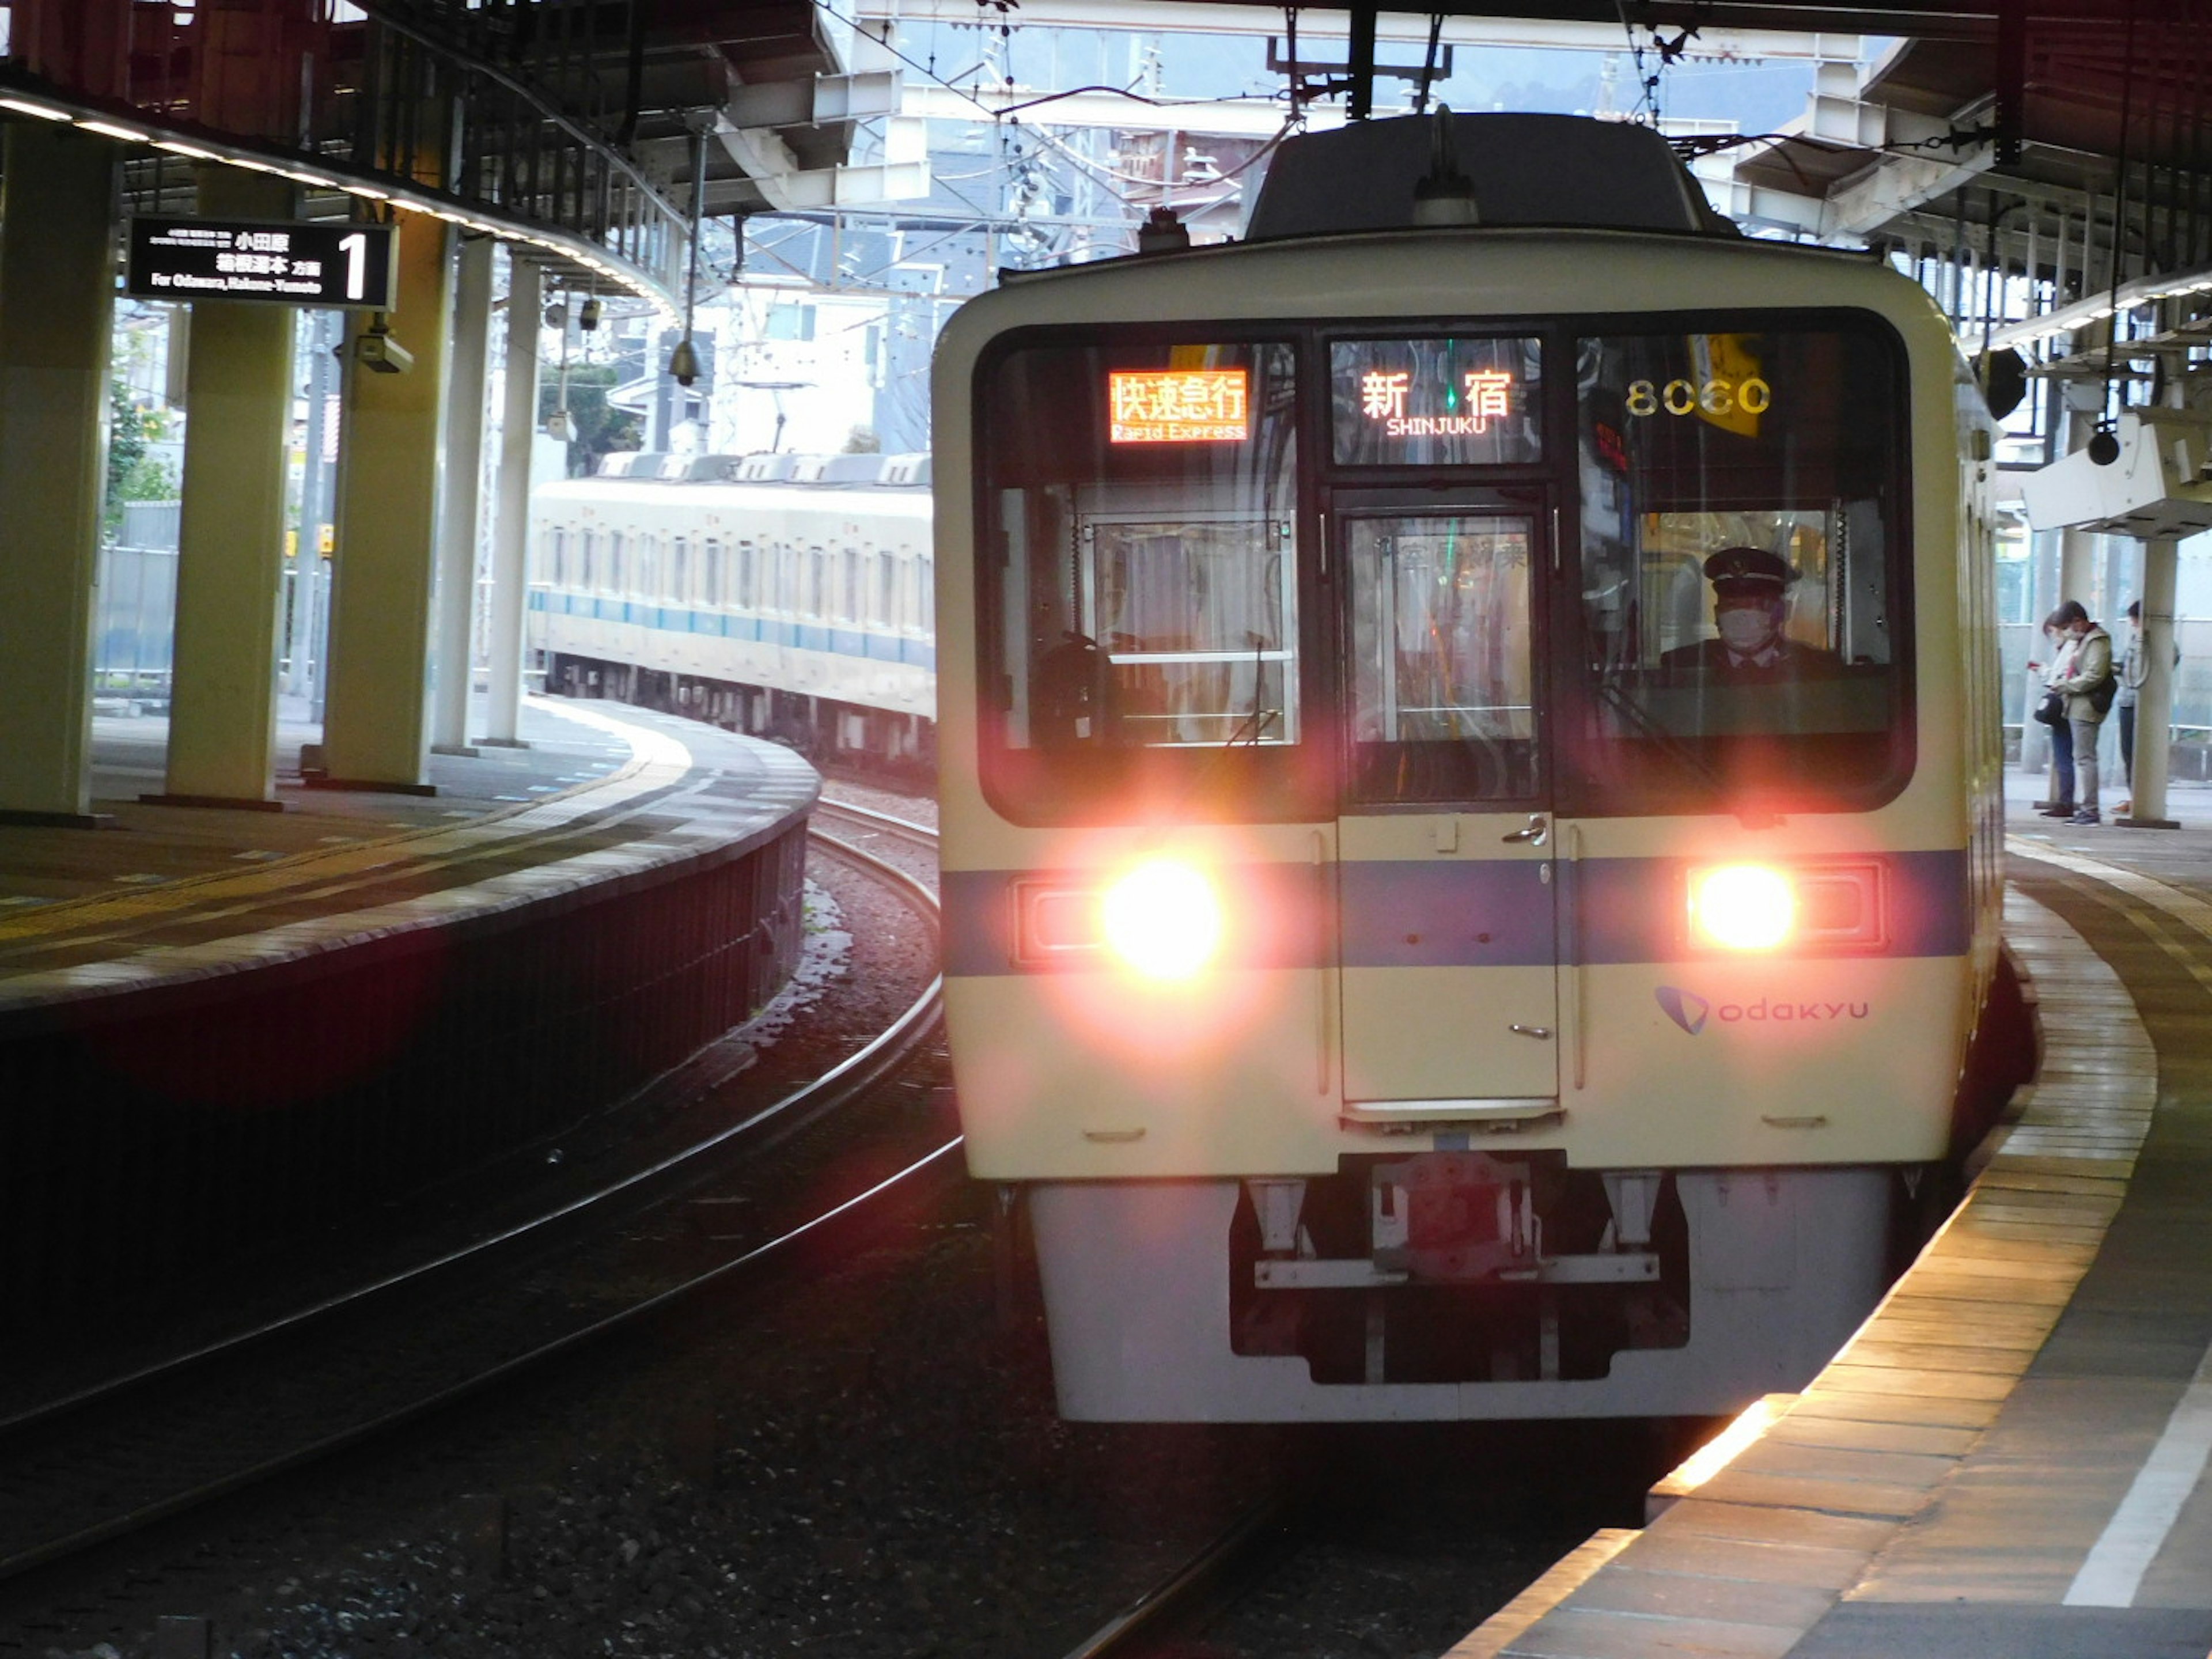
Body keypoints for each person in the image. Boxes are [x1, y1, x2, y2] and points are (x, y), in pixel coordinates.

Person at [1658, 547, 1843, 675]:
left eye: (1754, 605)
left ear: (1782, 612)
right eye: (1731, 605)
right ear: (1717, 614)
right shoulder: (1682, 665)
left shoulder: (1816, 667)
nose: (1741, 615)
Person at [2049, 599, 2115, 825]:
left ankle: (2091, 809)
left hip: (2086, 706)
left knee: (2086, 758)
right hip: (2077, 705)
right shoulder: (2083, 639)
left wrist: (2066, 686)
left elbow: (2094, 675)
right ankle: (2088, 808)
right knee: (2082, 757)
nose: (2068, 631)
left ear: (2079, 620)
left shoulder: (2097, 640)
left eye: (2069, 626)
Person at [2113, 599, 2180, 813]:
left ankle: (2146, 798)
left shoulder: (2158, 641)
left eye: (2135, 619)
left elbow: (2172, 658)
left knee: (2142, 753)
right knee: (2128, 752)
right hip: (2128, 700)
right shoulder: (2136, 640)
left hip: (2143, 702)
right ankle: (2135, 796)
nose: (2133, 624)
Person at [2029, 609, 2078, 818]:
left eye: (2053, 631)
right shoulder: (2071, 647)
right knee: (2064, 756)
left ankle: (2066, 802)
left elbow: (2057, 679)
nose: (2052, 636)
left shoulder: (2071, 647)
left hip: (2065, 706)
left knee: (2063, 756)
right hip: (2069, 706)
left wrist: (2042, 671)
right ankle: (2066, 801)